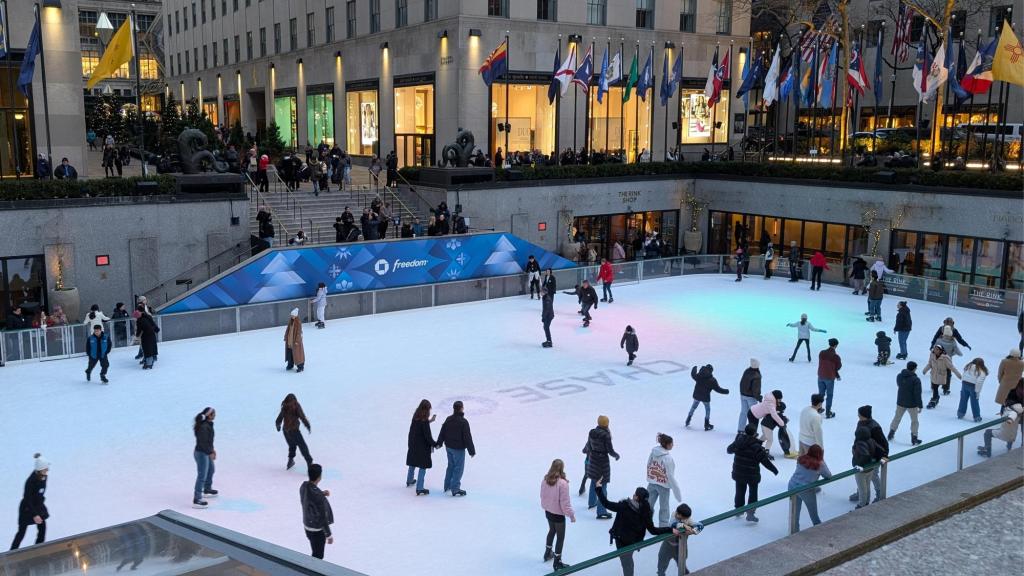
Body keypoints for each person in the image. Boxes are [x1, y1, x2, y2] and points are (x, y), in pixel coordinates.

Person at [594, 479, 673, 576]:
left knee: (626, 562)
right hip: (633, 543)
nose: (633, 495)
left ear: (636, 497)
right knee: (628, 561)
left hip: (621, 541)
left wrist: (598, 488)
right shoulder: (646, 511)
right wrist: (670, 529)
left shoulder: (624, 506)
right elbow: (653, 530)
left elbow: (606, 503)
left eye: (635, 494)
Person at [727, 425, 779, 522]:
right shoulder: (756, 446)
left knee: (740, 491)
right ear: (755, 433)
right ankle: (750, 513)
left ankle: (738, 510)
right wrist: (774, 470)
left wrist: (735, 443)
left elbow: (729, 450)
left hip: (739, 473)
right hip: (752, 475)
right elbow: (765, 461)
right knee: (753, 493)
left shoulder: (739, 441)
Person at [788, 444, 832, 532]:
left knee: (795, 512)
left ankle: (794, 532)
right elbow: (828, 475)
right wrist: (822, 461)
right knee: (813, 514)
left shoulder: (802, 459)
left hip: (792, 486)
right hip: (806, 490)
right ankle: (819, 530)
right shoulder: (820, 464)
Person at [540, 459, 575, 571]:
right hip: (558, 515)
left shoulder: (545, 479)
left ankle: (547, 553)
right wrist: (571, 515)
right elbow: (565, 503)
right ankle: (557, 562)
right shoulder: (562, 484)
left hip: (548, 511)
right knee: (560, 537)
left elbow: (542, 495)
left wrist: (547, 506)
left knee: (551, 530)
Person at [435, 400, 476, 497]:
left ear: (454, 409)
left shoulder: (448, 419)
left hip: (448, 447)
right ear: (461, 408)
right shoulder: (463, 422)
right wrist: (472, 451)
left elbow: (442, 432)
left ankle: (447, 485)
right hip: (458, 449)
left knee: (451, 466)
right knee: (458, 468)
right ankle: (455, 488)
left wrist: (439, 443)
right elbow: (467, 437)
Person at [10, 453, 50, 550]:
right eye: (45, 470)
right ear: (39, 471)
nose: (47, 471)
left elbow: (40, 493)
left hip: (38, 504)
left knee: (42, 526)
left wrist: (39, 457)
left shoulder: (44, 476)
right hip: (27, 507)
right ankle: (11, 553)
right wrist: (35, 514)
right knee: (21, 532)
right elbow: (28, 499)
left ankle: (37, 549)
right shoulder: (31, 481)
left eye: (47, 469)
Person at [850, 406, 889, 504]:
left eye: (859, 414)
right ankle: (861, 493)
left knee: (873, 475)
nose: (858, 415)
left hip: (872, 457)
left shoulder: (874, 427)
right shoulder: (861, 422)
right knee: (861, 476)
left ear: (864, 415)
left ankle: (879, 494)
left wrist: (884, 455)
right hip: (861, 454)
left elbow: (883, 443)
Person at [583, 415, 619, 520]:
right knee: (603, 485)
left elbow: (589, 446)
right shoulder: (606, 435)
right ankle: (601, 510)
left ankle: (591, 502)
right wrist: (616, 455)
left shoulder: (592, 432)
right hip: (602, 462)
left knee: (594, 481)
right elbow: (610, 450)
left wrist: (586, 451)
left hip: (593, 459)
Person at [978, 380, 1023, 457]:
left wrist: (1003, 412)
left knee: (988, 432)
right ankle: (1009, 446)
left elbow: (1007, 410)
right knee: (1012, 426)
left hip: (1008, 428)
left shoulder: (1010, 402)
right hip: (1015, 427)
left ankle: (987, 450)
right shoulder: (1015, 398)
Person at [646, 433, 682, 527]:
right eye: (671, 443)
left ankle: (645, 522)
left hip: (652, 483)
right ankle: (663, 525)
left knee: (648, 505)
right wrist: (677, 492)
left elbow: (649, 464)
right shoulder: (668, 458)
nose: (673, 445)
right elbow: (670, 476)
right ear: (667, 444)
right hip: (663, 486)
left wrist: (651, 477)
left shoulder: (653, 453)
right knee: (664, 507)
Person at [656, 504, 702, 576]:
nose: (684, 520)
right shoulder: (674, 515)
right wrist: (684, 525)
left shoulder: (687, 519)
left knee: (682, 566)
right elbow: (673, 525)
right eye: (683, 518)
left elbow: (700, 525)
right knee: (661, 567)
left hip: (681, 546)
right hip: (667, 545)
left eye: (685, 518)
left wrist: (692, 532)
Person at [300, 463, 334, 559]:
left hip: (307, 526)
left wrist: (322, 493)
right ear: (319, 477)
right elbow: (323, 518)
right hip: (317, 531)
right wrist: (329, 535)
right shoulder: (318, 497)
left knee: (315, 550)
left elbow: (310, 497)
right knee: (318, 556)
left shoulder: (304, 486)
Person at [888, 361, 924, 445]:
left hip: (900, 401)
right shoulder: (916, 380)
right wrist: (920, 405)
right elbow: (917, 393)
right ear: (914, 369)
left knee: (897, 418)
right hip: (912, 404)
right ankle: (914, 437)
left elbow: (899, 385)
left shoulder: (900, 376)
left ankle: (891, 433)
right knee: (914, 421)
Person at [406, 399, 436, 495]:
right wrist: (435, 444)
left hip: (413, 444)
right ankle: (419, 487)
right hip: (422, 447)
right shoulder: (424, 422)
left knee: (413, 462)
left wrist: (429, 421)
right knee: (423, 466)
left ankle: (409, 480)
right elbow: (428, 437)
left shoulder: (415, 417)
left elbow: (420, 426)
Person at [276, 394, 313, 470]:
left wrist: (278, 426)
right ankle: (309, 463)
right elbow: (302, 417)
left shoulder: (284, 407)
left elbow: (279, 419)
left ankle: (290, 460)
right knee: (303, 446)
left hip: (286, 431)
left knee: (292, 445)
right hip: (294, 431)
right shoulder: (296, 406)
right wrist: (307, 425)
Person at [687, 364, 729, 430]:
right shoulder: (712, 380)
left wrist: (694, 369)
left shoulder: (699, 375)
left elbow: (693, 375)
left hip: (697, 395)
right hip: (705, 398)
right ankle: (706, 424)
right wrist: (726, 391)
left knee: (693, 407)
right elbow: (718, 389)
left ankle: (688, 419)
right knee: (707, 410)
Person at [851, 425, 884, 509]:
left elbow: (865, 455)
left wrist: (859, 465)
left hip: (861, 471)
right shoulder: (871, 440)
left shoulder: (860, 443)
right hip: (871, 468)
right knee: (867, 486)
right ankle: (866, 502)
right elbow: (881, 450)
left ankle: (861, 505)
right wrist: (875, 460)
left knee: (862, 489)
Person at [192, 407, 218, 508]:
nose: (215, 415)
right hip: (201, 453)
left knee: (211, 470)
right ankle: (197, 499)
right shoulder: (203, 427)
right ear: (209, 415)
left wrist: (212, 450)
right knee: (202, 475)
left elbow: (208, 441)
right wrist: (210, 452)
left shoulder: (208, 425)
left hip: (206, 452)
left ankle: (207, 489)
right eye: (213, 414)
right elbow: (203, 443)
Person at [817, 338, 842, 419]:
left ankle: (818, 408)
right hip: (829, 377)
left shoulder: (821, 353)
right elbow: (838, 367)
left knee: (821, 394)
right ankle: (828, 412)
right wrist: (836, 374)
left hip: (820, 375)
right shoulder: (835, 357)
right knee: (829, 395)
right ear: (836, 345)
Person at [958, 358, 988, 423]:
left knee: (963, 399)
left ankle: (960, 413)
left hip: (964, 384)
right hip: (973, 386)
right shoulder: (982, 372)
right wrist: (977, 392)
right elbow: (979, 382)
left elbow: (964, 376)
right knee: (974, 402)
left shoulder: (968, 367)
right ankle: (977, 417)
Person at [737, 359, 762, 432]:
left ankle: (741, 429)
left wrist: (742, 393)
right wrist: (758, 397)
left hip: (743, 395)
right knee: (754, 414)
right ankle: (752, 431)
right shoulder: (756, 376)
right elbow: (755, 389)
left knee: (743, 413)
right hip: (751, 397)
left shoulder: (747, 371)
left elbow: (741, 383)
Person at [284, 308, 305, 372]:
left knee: (298, 354)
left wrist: (297, 341)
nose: (292, 316)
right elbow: (288, 329)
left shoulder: (298, 322)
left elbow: (299, 332)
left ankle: (300, 366)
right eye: (291, 315)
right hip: (290, 340)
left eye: (293, 315)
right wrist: (285, 336)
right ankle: (290, 364)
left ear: (296, 315)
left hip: (296, 341)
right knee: (290, 352)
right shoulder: (291, 321)